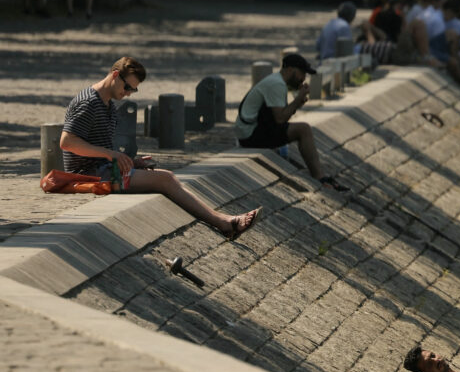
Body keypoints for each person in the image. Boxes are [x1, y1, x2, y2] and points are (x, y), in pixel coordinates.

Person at [59, 57, 260, 239]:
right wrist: (111, 154)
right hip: (87, 176)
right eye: (127, 87)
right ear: (114, 76)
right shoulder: (89, 103)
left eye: (133, 90)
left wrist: (131, 162)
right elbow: (67, 142)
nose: (128, 93)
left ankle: (225, 220)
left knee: (167, 176)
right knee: (164, 179)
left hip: (103, 169)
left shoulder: (108, 104)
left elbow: (98, 146)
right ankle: (226, 223)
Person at [234, 53, 346, 191]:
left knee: (302, 129)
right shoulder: (277, 84)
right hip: (249, 135)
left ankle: (319, 175)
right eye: (302, 73)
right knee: (303, 129)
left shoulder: (276, 81)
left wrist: (297, 103)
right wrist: (298, 100)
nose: (303, 79)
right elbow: (280, 119)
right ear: (292, 70)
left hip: (249, 132)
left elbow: (279, 118)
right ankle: (319, 177)